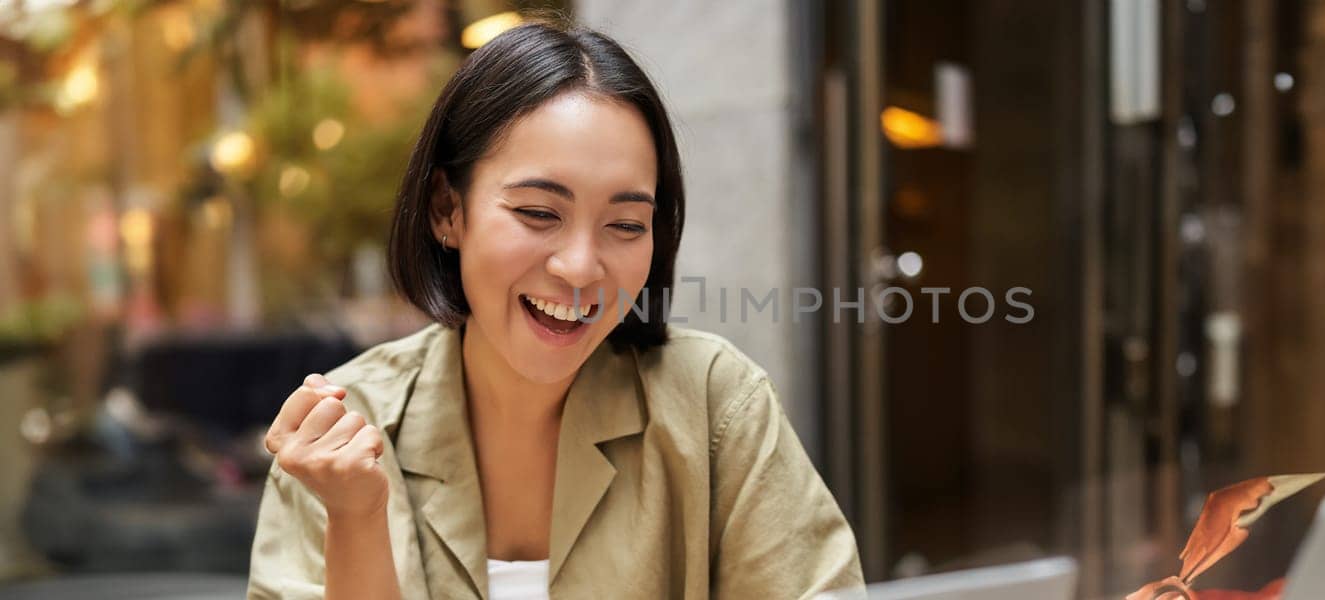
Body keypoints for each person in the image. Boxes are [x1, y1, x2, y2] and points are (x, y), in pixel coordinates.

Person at [246, 18, 863, 599]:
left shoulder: (713, 405)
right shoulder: (345, 433)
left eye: (625, 223)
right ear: (446, 210)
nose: (580, 267)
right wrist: (357, 517)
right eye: (539, 213)